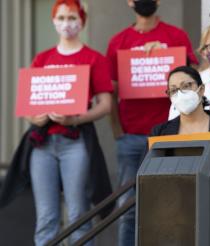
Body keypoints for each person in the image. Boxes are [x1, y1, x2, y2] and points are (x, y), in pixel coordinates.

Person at [105, 1, 199, 245]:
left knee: (173, 204)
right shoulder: (118, 41)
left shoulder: (176, 36)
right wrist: (117, 129)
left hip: (170, 134)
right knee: (128, 208)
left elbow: (195, 79)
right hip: (131, 136)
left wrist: (166, 56)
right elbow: (111, 91)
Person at [23, 0, 113, 245]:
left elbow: (105, 105)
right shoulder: (42, 58)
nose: (66, 23)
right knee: (46, 217)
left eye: (72, 17)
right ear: (53, 21)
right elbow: (29, 105)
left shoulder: (94, 58)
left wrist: (75, 118)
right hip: (43, 144)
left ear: (82, 21)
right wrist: (35, 116)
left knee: (78, 214)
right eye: (61, 18)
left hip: (76, 142)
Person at [147, 66, 210, 143]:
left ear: (201, 89)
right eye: (173, 90)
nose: (180, 94)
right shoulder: (159, 133)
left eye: (186, 86)